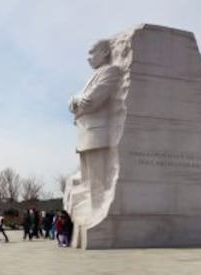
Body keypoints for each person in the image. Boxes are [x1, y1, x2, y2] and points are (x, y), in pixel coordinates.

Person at [68, 39, 123, 248]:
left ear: (105, 52)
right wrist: (76, 100)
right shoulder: (93, 76)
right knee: (88, 180)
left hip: (96, 133)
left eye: (92, 52)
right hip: (85, 133)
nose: (88, 57)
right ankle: (92, 213)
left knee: (98, 180)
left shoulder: (111, 71)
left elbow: (90, 101)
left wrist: (76, 101)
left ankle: (99, 214)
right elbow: (74, 102)